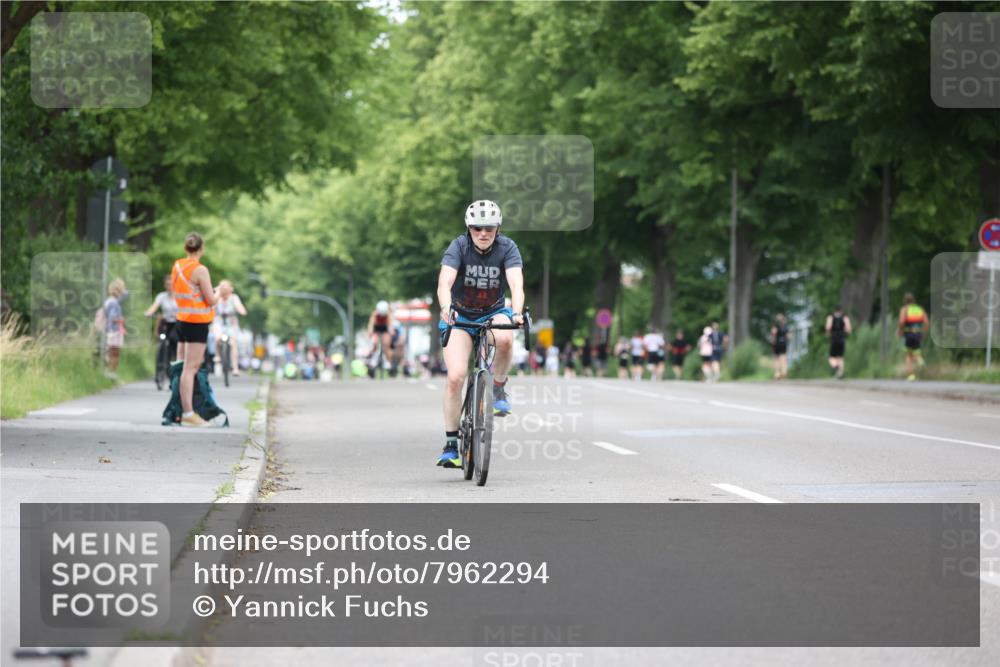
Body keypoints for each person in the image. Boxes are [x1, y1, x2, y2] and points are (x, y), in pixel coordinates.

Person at [436, 200, 525, 468]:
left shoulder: (507, 247)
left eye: (489, 228)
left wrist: (517, 312)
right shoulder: (458, 247)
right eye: (477, 228)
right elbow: (444, 283)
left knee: (506, 336)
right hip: (460, 315)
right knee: (455, 377)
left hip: (492, 312)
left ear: (498, 229)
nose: (483, 233)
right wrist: (445, 307)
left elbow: (516, 285)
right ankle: (451, 444)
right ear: (469, 228)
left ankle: (497, 389)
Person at [172, 232, 221, 427]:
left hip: (181, 319)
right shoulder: (201, 270)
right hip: (197, 322)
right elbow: (210, 300)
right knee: (190, 368)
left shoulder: (177, 266)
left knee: (181, 366)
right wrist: (220, 292)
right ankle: (188, 413)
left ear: (186, 248)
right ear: (201, 249)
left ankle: (180, 409)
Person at [213, 280, 248, 377]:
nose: (224, 288)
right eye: (222, 286)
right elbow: (211, 305)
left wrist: (241, 310)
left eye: (226, 286)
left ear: (230, 289)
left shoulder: (234, 298)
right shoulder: (217, 297)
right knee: (217, 338)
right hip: (219, 322)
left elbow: (239, 306)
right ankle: (218, 356)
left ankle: (235, 367)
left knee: (233, 343)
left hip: (231, 323)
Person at [145, 276, 179, 363]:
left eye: (171, 284)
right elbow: (154, 306)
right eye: (167, 284)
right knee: (161, 338)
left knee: (173, 339)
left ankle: (174, 358)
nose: (169, 286)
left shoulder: (179, 296)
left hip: (176, 323)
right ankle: (161, 359)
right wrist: (149, 312)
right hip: (166, 323)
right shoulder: (161, 296)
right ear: (165, 285)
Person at [897, 292, 929, 381]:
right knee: (916, 351)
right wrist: (923, 332)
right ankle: (920, 359)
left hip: (908, 333)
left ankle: (911, 375)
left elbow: (902, 321)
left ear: (905, 301)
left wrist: (899, 331)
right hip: (918, 333)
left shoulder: (905, 309)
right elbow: (926, 322)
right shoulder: (920, 309)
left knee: (908, 355)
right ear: (913, 300)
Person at [102, 278, 128, 379]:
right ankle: (111, 373)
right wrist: (120, 319)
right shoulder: (114, 302)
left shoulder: (109, 301)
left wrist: (119, 284)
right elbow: (112, 317)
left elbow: (126, 295)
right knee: (114, 353)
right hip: (114, 330)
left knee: (111, 352)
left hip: (110, 330)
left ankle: (110, 372)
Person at [825, 305, 852, 379]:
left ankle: (835, 366)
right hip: (841, 339)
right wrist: (843, 330)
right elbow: (849, 330)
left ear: (834, 311)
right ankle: (840, 374)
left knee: (831, 357)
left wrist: (828, 333)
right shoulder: (845, 318)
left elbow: (828, 328)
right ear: (841, 311)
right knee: (840, 357)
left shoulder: (830, 318)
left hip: (834, 339)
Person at [367, 300, 393, 373]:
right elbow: (371, 324)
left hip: (385, 328)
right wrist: (370, 332)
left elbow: (391, 325)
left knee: (386, 343)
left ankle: (388, 361)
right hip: (377, 328)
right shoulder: (375, 314)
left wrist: (391, 331)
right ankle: (374, 359)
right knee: (375, 342)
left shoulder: (388, 314)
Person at [770, 314, 791, 380]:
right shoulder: (785, 327)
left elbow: (773, 334)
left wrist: (773, 341)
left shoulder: (775, 327)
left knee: (776, 359)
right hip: (783, 343)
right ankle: (784, 372)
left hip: (777, 344)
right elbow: (789, 336)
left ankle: (777, 373)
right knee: (783, 358)